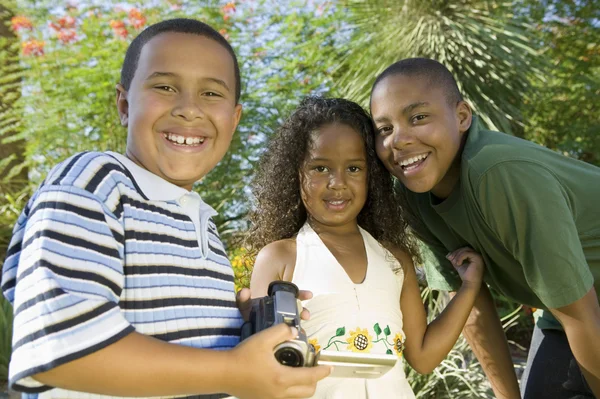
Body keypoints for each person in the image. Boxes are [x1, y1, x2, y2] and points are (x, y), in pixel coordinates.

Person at [1, 18, 331, 399]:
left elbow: (176, 347)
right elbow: (61, 348)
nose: (189, 109)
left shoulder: (199, 218)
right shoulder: (95, 181)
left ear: (234, 119)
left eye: (211, 94)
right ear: (124, 105)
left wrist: (232, 328)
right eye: (164, 87)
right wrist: (232, 369)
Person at [369, 57, 600, 399]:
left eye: (418, 117)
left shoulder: (499, 173)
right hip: (570, 314)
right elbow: (469, 302)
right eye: (384, 129)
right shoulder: (413, 195)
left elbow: (580, 312)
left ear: (462, 117)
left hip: (581, 310)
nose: (398, 140)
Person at [246, 96, 485, 398]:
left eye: (355, 169)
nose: (338, 182)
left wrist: (468, 289)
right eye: (320, 168)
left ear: (372, 176)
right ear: (296, 174)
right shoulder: (280, 257)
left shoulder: (395, 260)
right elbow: (256, 363)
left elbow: (423, 357)